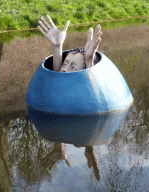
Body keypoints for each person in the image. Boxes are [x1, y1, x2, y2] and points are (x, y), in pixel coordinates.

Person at [37, 15, 102, 181]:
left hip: (85, 125)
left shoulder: (86, 85)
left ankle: (89, 147)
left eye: (73, 66)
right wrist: (58, 47)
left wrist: (88, 60)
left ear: (82, 70)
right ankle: (87, 147)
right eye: (65, 64)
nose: (65, 69)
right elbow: (58, 80)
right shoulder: (60, 83)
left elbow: (93, 93)